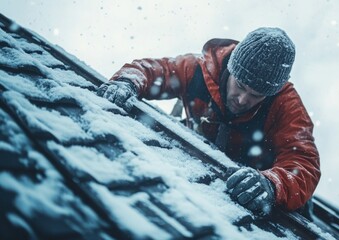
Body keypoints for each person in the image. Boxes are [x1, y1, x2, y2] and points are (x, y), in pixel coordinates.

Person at [97, 27, 321, 217]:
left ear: (272, 93)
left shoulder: (287, 107)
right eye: (241, 86)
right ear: (230, 69)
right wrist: (128, 82)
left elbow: (303, 162)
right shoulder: (198, 70)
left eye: (257, 95)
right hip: (193, 169)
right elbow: (155, 71)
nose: (243, 99)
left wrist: (272, 184)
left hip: (248, 199)